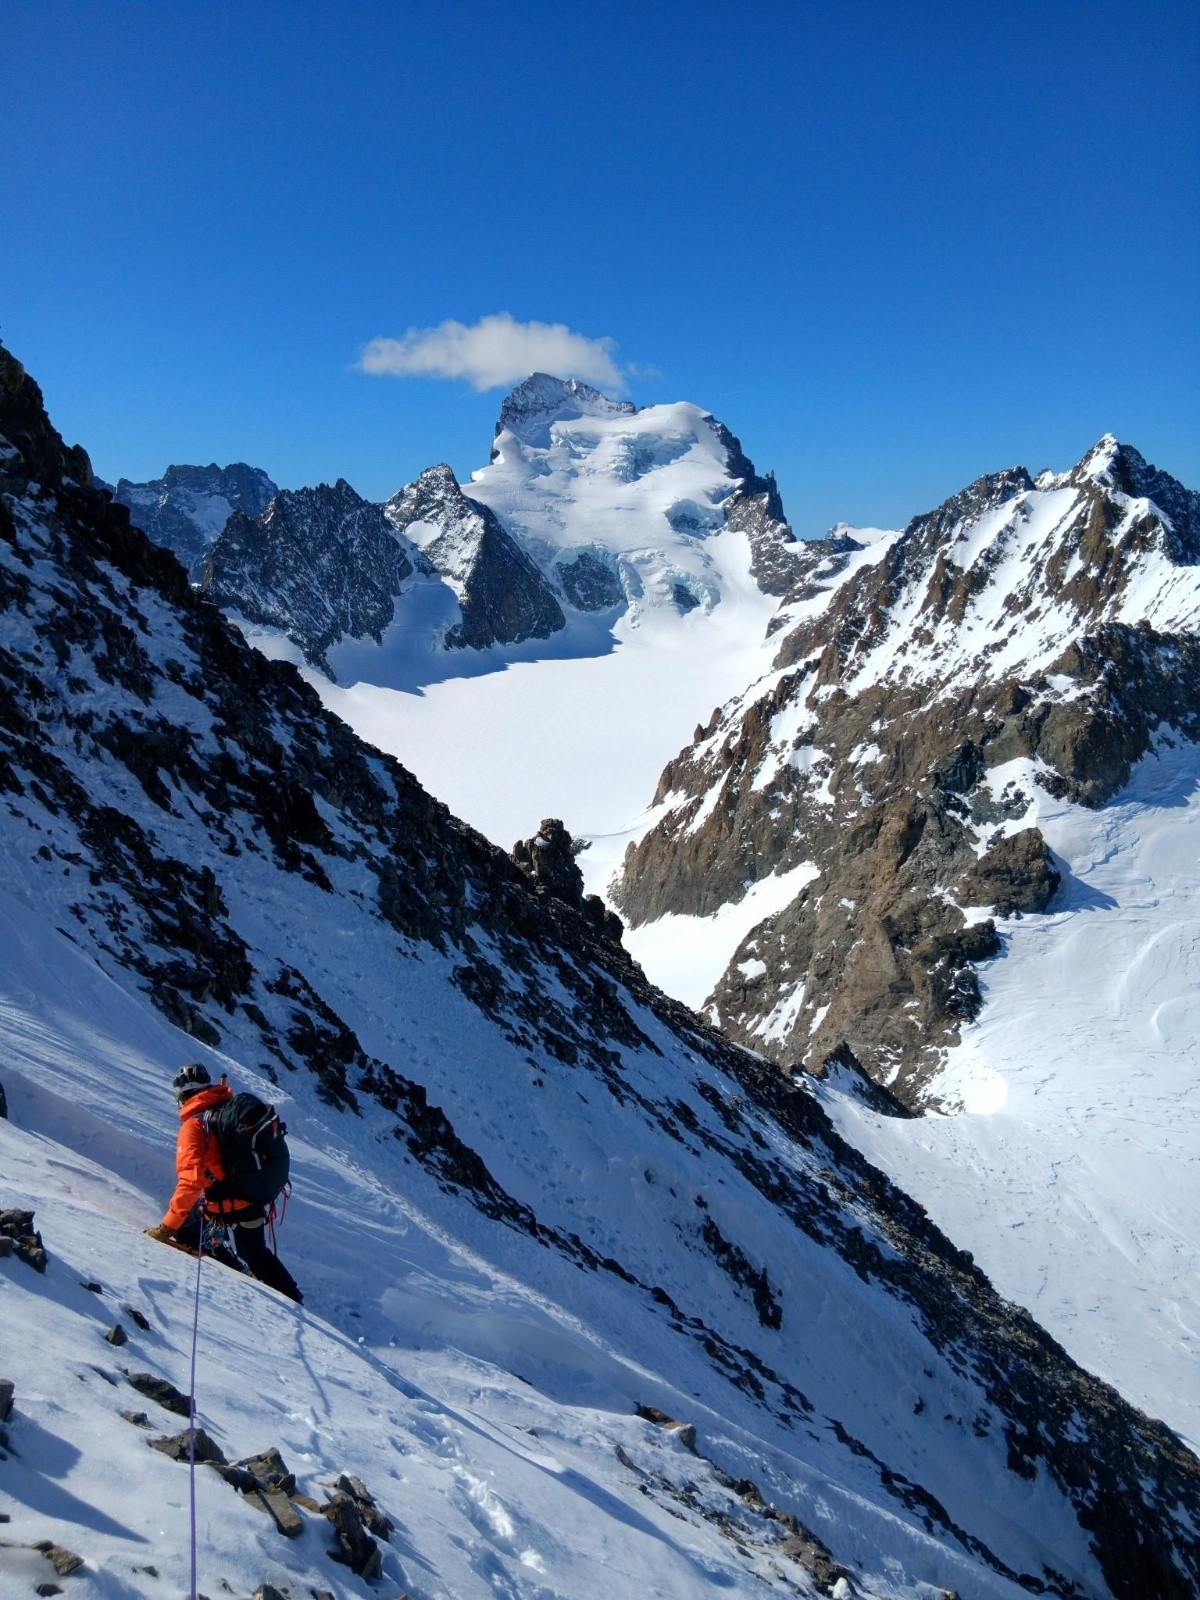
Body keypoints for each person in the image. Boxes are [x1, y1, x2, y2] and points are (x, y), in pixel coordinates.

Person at [145, 1063, 302, 1303]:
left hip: (226, 1203)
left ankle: (230, 1266)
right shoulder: (225, 1109)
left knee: (187, 1226)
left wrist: (166, 1228)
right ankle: (293, 1297)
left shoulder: (194, 1126)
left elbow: (191, 1179)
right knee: (254, 1252)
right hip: (252, 1197)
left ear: (182, 1096)